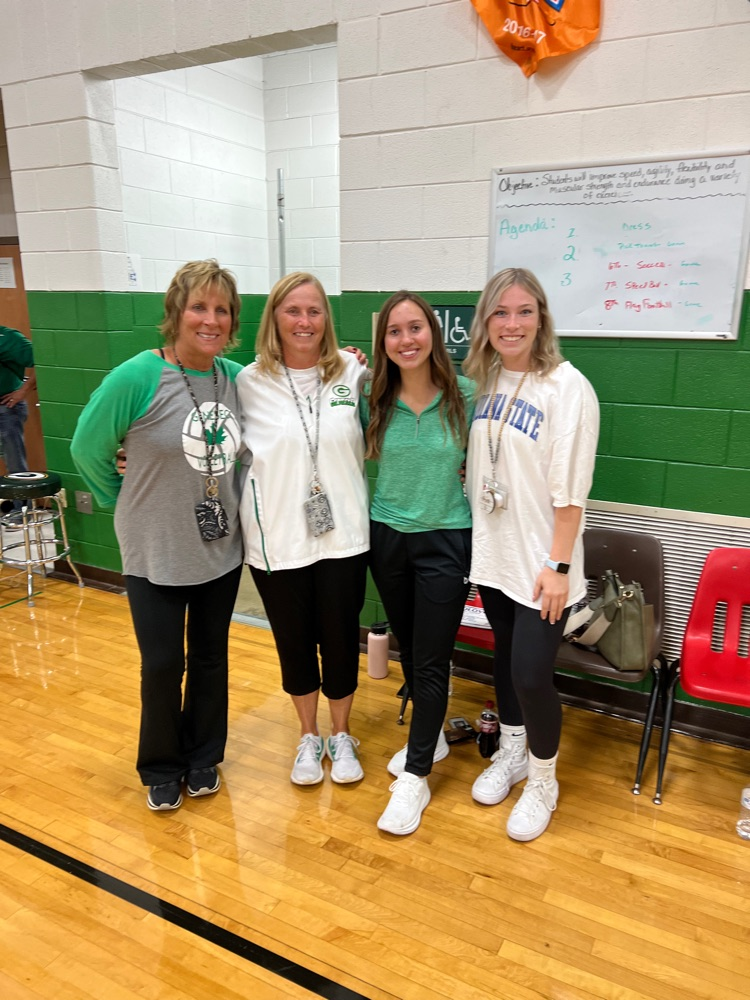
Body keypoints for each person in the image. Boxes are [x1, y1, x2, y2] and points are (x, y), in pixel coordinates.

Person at [71, 260, 244, 812]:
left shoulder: (235, 378)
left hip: (220, 549)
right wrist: (119, 497)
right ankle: (162, 765)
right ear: (176, 311)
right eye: (199, 306)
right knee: (164, 664)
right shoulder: (137, 377)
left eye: (221, 309)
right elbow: (86, 448)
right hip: (155, 550)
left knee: (211, 658)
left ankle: (204, 755)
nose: (210, 319)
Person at [464, 267, 599, 842]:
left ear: (541, 317)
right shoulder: (487, 378)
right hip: (495, 554)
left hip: (545, 564)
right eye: (500, 312)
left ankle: (543, 780)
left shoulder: (568, 387)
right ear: (486, 321)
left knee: (531, 674)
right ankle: (513, 752)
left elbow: (572, 494)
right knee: (504, 662)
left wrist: (559, 566)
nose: (512, 323)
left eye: (524, 311)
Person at [237, 272, 370, 787]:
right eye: (293, 310)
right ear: (274, 317)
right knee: (294, 644)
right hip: (277, 541)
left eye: (314, 311)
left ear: (326, 320)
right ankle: (309, 736)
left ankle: (342, 734)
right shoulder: (247, 383)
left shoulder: (352, 372)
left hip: (344, 537)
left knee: (340, 640)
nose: (304, 321)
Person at [363, 291, 473, 835]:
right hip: (386, 536)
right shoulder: (373, 397)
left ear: (433, 332)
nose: (406, 339)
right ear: (383, 341)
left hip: (445, 539)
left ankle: (417, 775)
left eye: (415, 327)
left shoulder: (466, 396)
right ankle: (431, 742)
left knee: (431, 660)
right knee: (411, 649)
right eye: (394, 331)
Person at [0, 323, 36, 475]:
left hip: (5, 407)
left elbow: (44, 361)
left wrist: (23, 390)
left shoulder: (7, 338)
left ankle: (21, 491)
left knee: (15, 467)